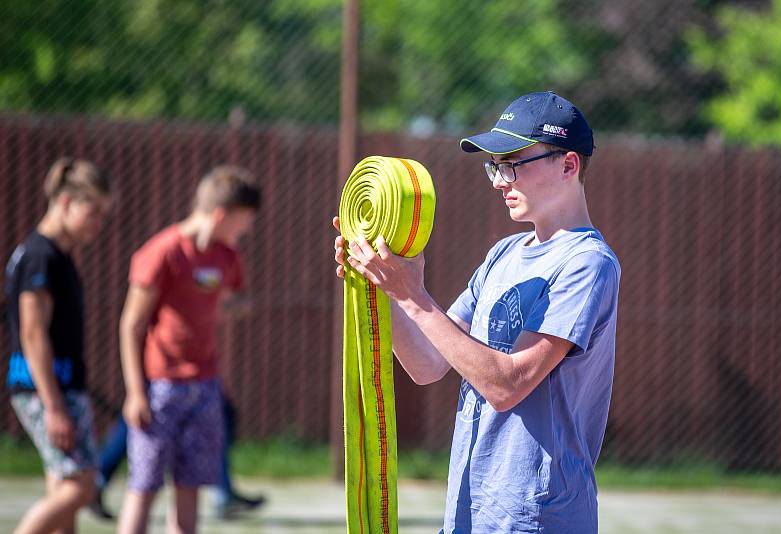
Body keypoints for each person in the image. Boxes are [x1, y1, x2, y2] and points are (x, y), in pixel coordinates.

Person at [333, 91, 620, 533]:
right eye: (494, 166)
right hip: (472, 509)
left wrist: (414, 297)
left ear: (568, 165)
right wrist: (382, 285)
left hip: (537, 517)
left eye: (512, 164)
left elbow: (506, 385)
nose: (498, 180)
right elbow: (428, 364)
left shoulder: (587, 263)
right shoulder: (503, 255)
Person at [116, 165, 261, 534]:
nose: (245, 231)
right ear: (221, 213)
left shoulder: (226, 257)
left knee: (190, 487)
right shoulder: (162, 252)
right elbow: (132, 324)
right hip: (161, 386)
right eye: (243, 222)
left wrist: (236, 308)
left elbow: (219, 302)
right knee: (144, 486)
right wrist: (135, 392)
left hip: (205, 385)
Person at [5, 157, 112, 534]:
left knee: (63, 487)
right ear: (66, 202)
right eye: (93, 211)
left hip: (61, 386)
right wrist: (53, 406)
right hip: (45, 389)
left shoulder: (57, 256)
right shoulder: (40, 256)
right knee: (81, 486)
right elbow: (33, 333)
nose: (99, 223)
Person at [89, 397, 265, 520]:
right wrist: (136, 389)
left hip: (192, 378)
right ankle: (98, 479)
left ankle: (223, 491)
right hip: (164, 375)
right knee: (143, 485)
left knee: (221, 412)